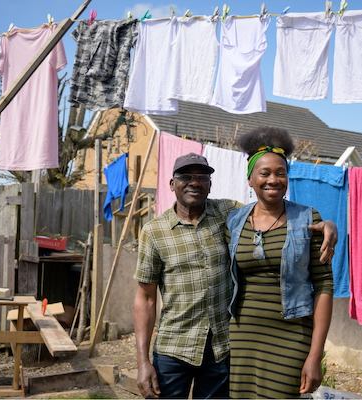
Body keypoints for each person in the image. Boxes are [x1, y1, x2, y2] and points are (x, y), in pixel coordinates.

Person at [133, 152, 337, 399]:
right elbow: (145, 299)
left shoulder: (228, 214)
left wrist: (329, 224)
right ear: (171, 184)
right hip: (175, 347)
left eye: (202, 177)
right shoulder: (155, 232)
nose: (194, 182)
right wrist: (142, 361)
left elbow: (271, 210)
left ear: (210, 185)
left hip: (222, 348)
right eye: (185, 177)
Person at [226, 127, 334, 399]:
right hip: (243, 336)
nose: (273, 179)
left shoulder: (308, 219)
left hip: (291, 334)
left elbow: (324, 286)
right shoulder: (234, 221)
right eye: (264, 173)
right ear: (250, 179)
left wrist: (315, 355)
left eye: (280, 173)